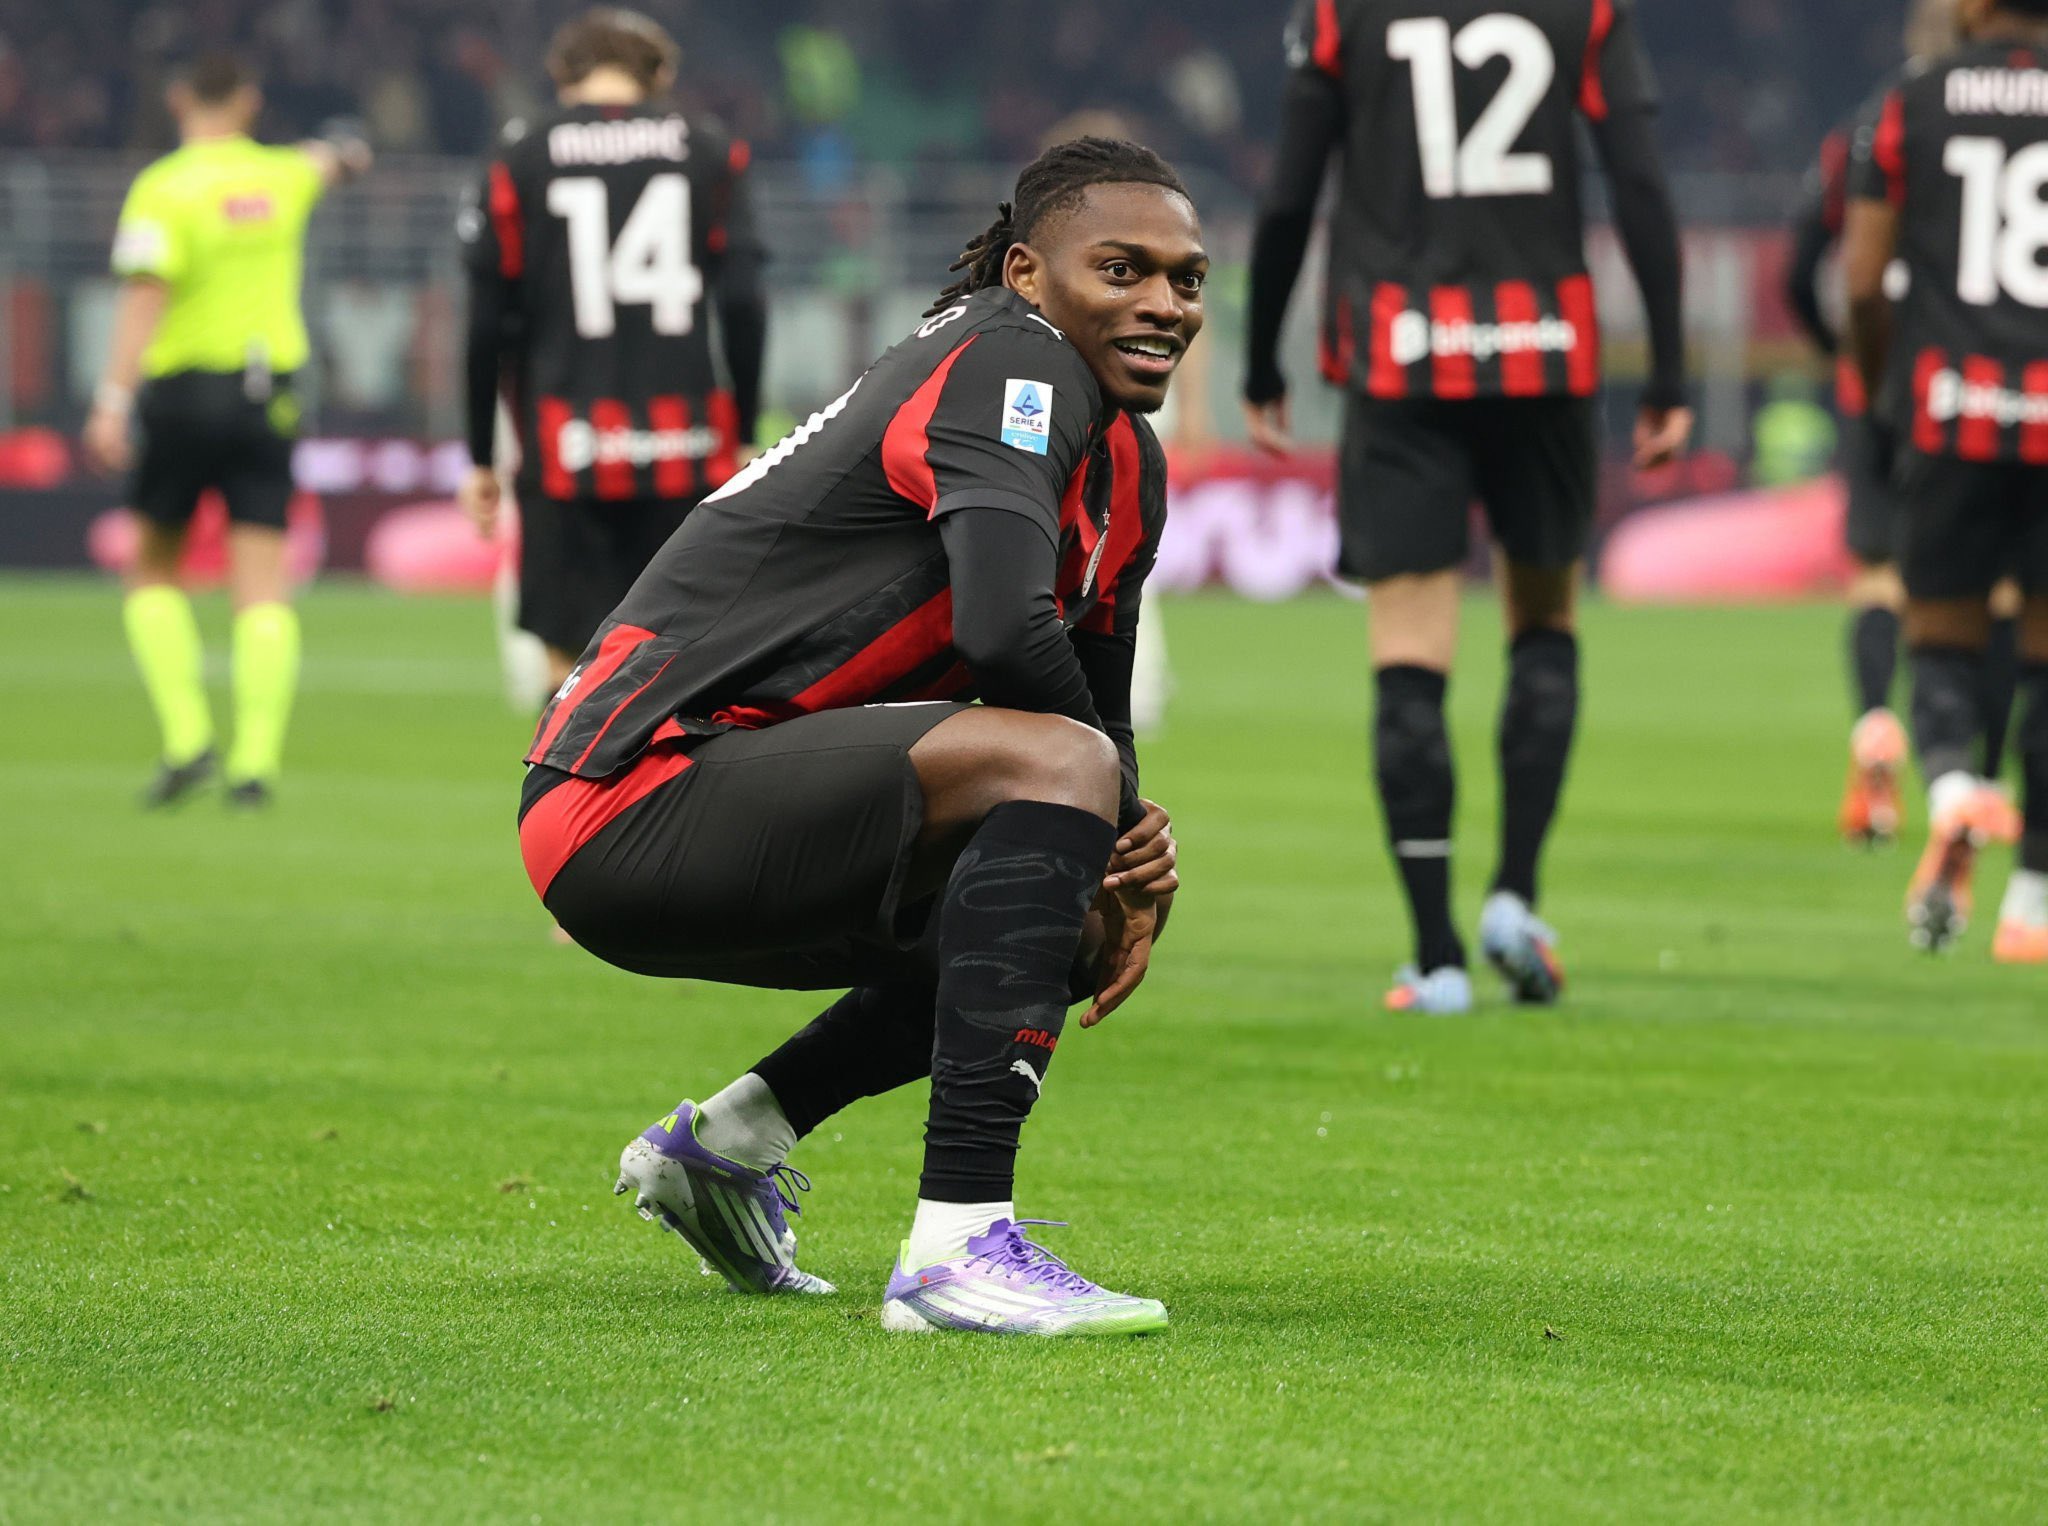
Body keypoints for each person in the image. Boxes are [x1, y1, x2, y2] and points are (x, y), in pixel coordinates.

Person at [518, 138, 1200, 1333]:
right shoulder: (1010, 360)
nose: (1162, 302)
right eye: (1121, 268)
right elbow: (1006, 636)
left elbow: (1096, 711)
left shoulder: (1123, 463)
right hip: (629, 791)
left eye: (1184, 279)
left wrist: (1126, 861)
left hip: (726, 806)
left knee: (1078, 917)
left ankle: (728, 1143)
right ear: (1027, 274)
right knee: (1061, 773)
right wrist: (1110, 806)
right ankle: (956, 1250)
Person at [1243, 0, 1689, 1013]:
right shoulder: (1584, 10)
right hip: (1546, 355)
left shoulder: (1342, 14)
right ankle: (1515, 898)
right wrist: (1666, 368)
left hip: (1399, 357)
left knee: (1409, 650)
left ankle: (1436, 955)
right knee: (1545, 624)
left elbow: (1287, 195)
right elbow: (1639, 183)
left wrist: (1264, 357)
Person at [84, 54, 370, 808]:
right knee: (263, 583)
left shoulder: (164, 187)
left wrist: (111, 400)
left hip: (184, 391)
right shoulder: (282, 175)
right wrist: (344, 148)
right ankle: (254, 764)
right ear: (248, 102)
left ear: (179, 98)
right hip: (269, 393)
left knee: (153, 567)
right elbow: (339, 160)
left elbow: (144, 294)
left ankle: (187, 742)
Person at [458, 8, 766, 696]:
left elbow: (485, 321)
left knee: (569, 673)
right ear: (661, 74)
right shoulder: (708, 147)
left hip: (563, 446)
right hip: (686, 445)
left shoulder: (521, 153)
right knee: (680, 661)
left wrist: (480, 455)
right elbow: (743, 301)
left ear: (560, 72)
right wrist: (744, 428)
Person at [1786, 0, 2023, 848]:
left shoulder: (1880, 120)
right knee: (2001, 593)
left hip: (1892, 386)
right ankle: (1980, 780)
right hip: (1986, 382)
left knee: (1880, 578)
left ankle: (1876, 726)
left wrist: (1844, 357)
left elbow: (1806, 264)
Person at [1845, 0, 2048, 961]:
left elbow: (1860, 281)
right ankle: (2034, 900)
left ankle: (1957, 784)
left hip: (1950, 407)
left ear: (1973, 7)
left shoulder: (1910, 103)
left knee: (1937, 635)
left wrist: (1887, 393)